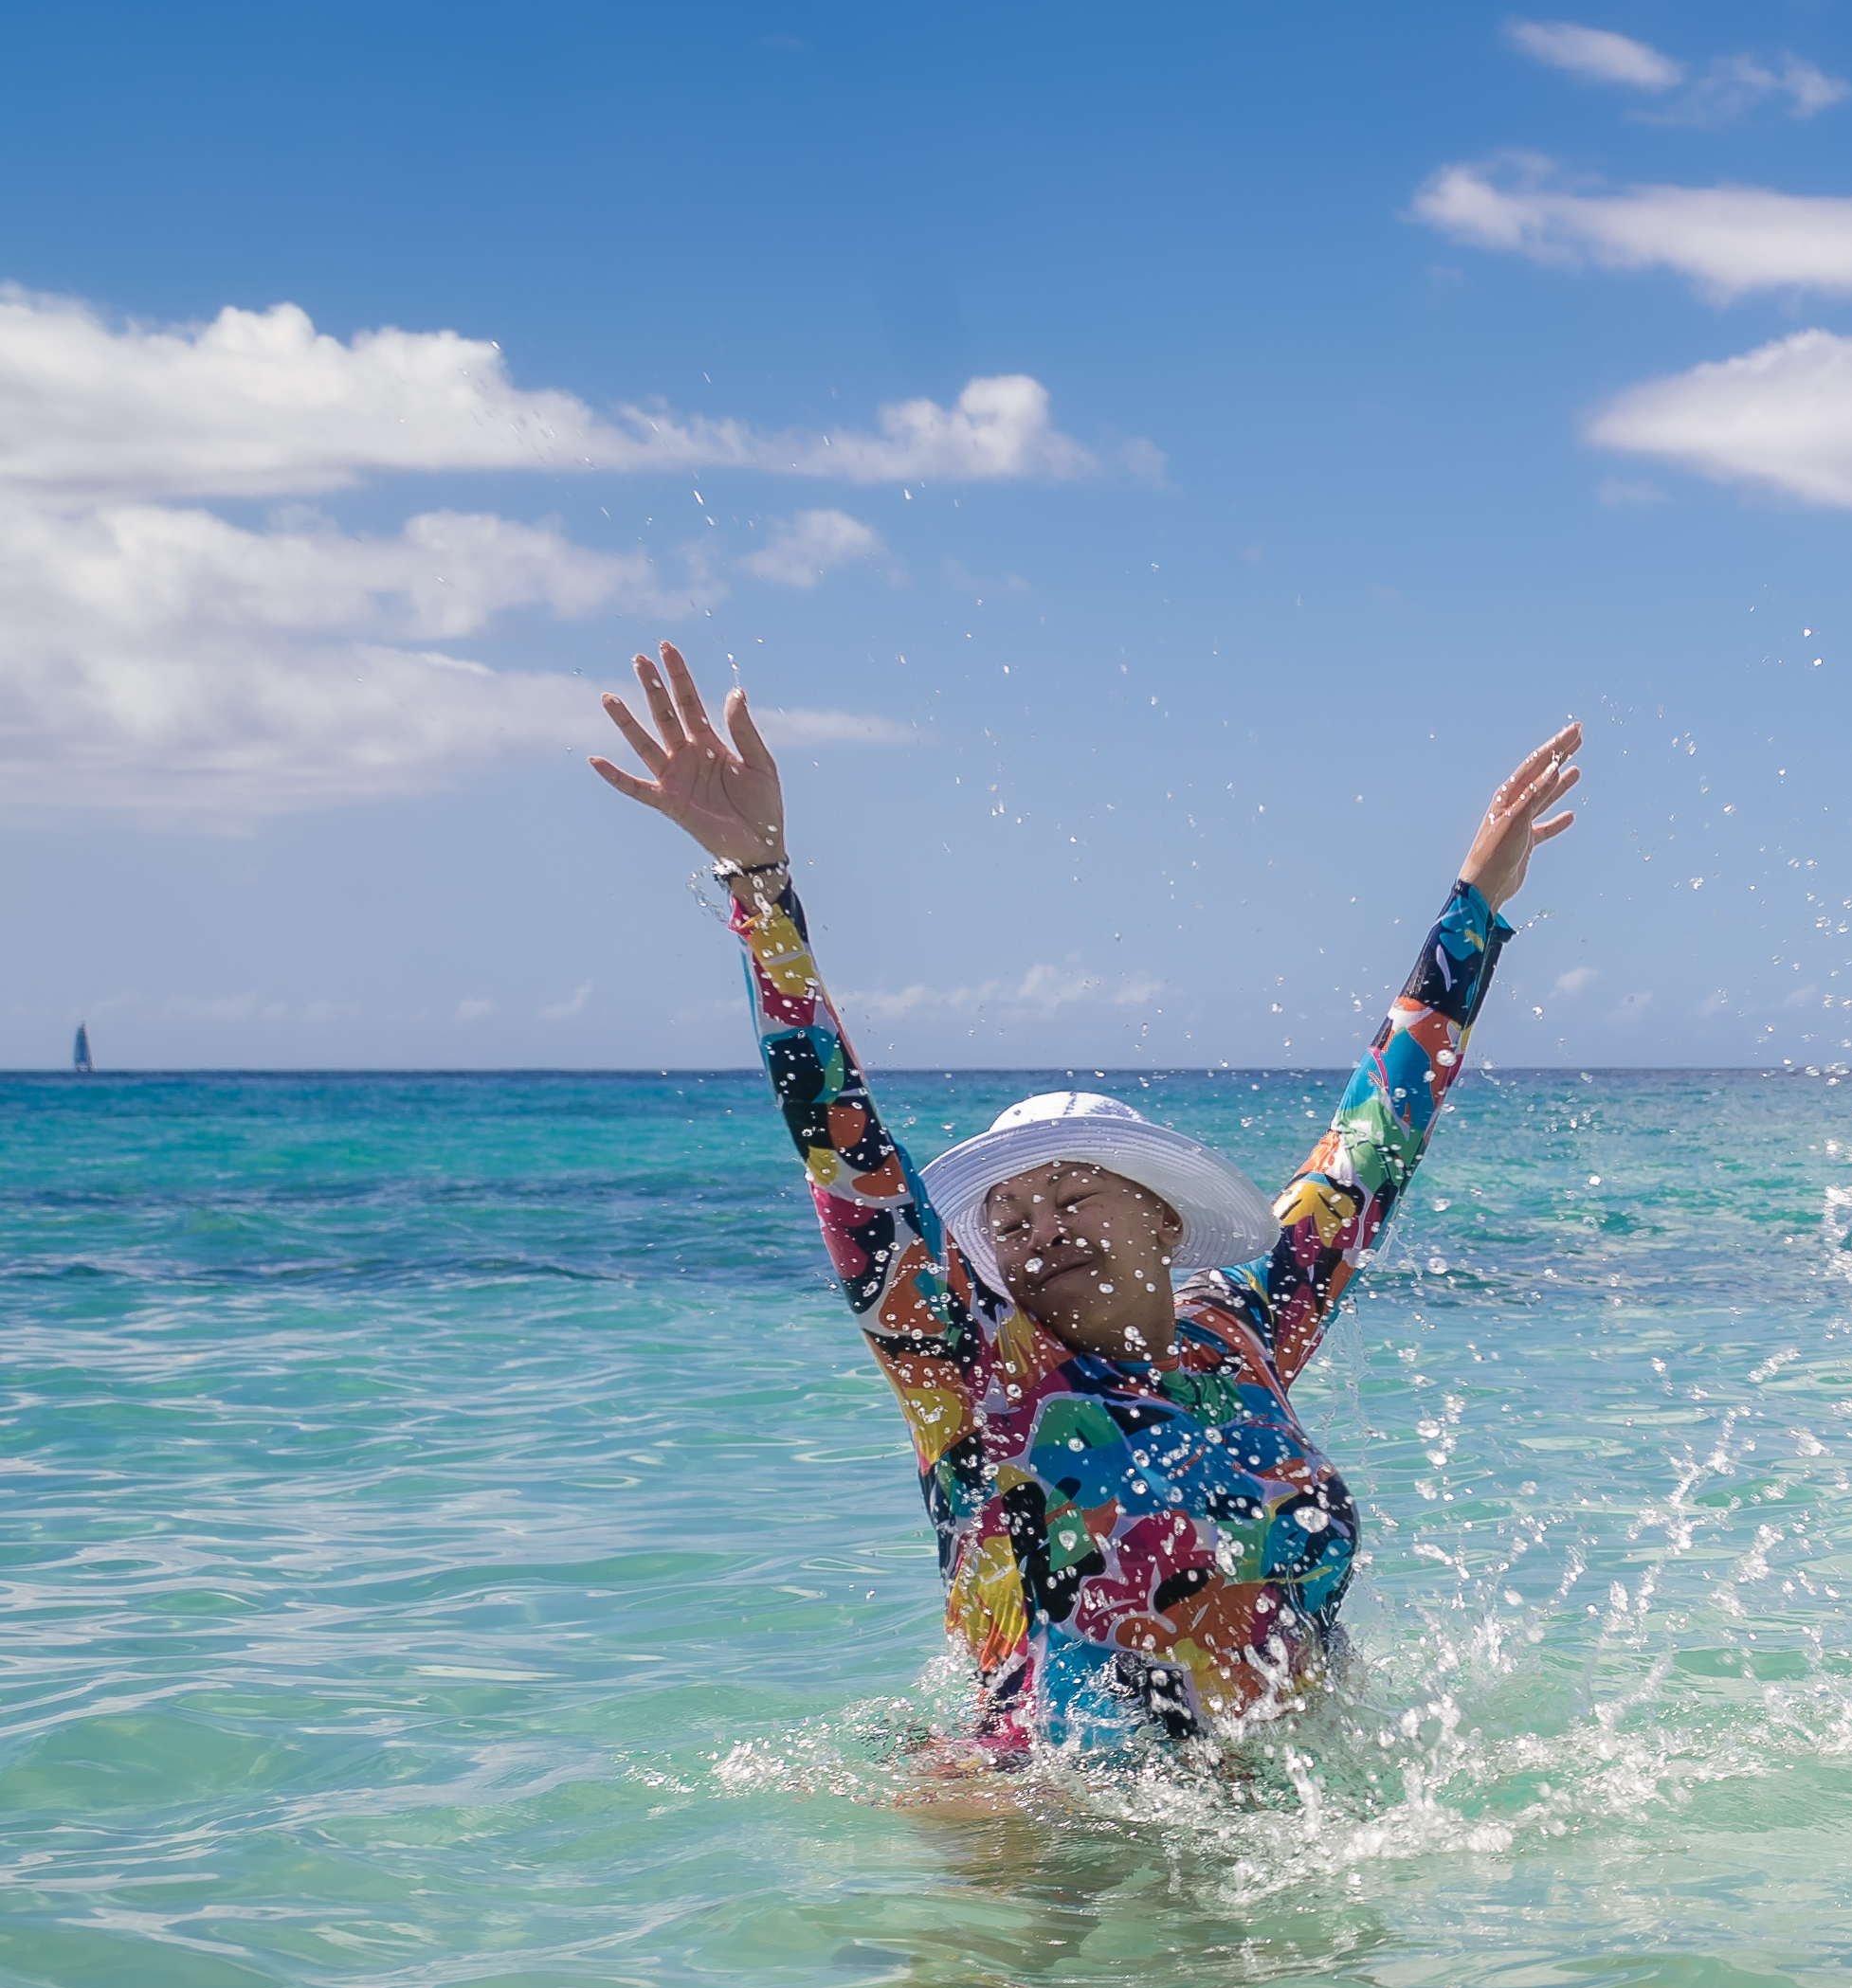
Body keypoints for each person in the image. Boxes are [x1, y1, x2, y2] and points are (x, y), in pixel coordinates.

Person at [587, 643, 1586, 1756]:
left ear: (1162, 1215)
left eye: (1070, 1193)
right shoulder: (971, 1374)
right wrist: (760, 892)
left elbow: (1375, 1136)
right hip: (1045, 1845)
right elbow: (847, 1158)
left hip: (1286, 1838)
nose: (1035, 1229)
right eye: (1006, 1220)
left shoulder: (1242, 1335)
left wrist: (1476, 909)